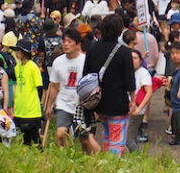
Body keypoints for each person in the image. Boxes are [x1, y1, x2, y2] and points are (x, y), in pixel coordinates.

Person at [84, 14, 136, 156]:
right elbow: (129, 80)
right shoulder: (123, 52)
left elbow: (86, 75)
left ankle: (105, 162)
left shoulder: (92, 49)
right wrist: (133, 100)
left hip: (99, 103)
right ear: (119, 31)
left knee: (106, 135)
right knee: (117, 141)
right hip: (117, 103)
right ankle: (111, 166)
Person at [44, 28, 99, 153]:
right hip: (64, 103)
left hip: (82, 105)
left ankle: (95, 159)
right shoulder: (58, 62)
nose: (66, 44)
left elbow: (94, 85)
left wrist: (95, 107)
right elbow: (54, 86)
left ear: (78, 44)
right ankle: (64, 156)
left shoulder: (85, 61)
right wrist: (49, 106)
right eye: (64, 41)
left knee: (85, 140)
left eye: (70, 41)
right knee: (60, 134)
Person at [12, 39, 43, 146]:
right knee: (25, 138)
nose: (16, 53)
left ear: (25, 52)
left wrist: (39, 104)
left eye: (18, 50)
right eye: (15, 50)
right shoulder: (17, 67)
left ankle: (41, 156)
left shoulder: (33, 67)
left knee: (34, 136)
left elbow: (39, 87)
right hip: (20, 108)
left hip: (31, 108)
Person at [126, 49, 153, 153]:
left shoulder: (143, 73)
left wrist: (139, 109)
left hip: (137, 111)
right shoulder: (128, 72)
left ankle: (139, 159)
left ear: (140, 60)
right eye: (130, 58)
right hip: (129, 109)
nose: (133, 61)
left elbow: (149, 92)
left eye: (135, 58)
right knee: (132, 138)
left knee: (129, 139)